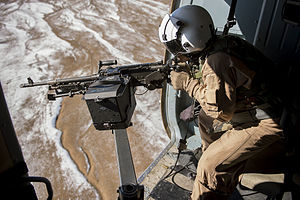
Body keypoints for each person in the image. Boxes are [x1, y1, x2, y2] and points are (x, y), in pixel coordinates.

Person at [158, 5, 285, 200]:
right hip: (260, 108)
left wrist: (187, 83)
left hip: (266, 121)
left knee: (210, 165)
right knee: (204, 120)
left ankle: (211, 177)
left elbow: (220, 112)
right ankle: (220, 169)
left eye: (176, 47)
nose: (175, 52)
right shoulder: (224, 43)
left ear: (188, 42)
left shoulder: (216, 62)